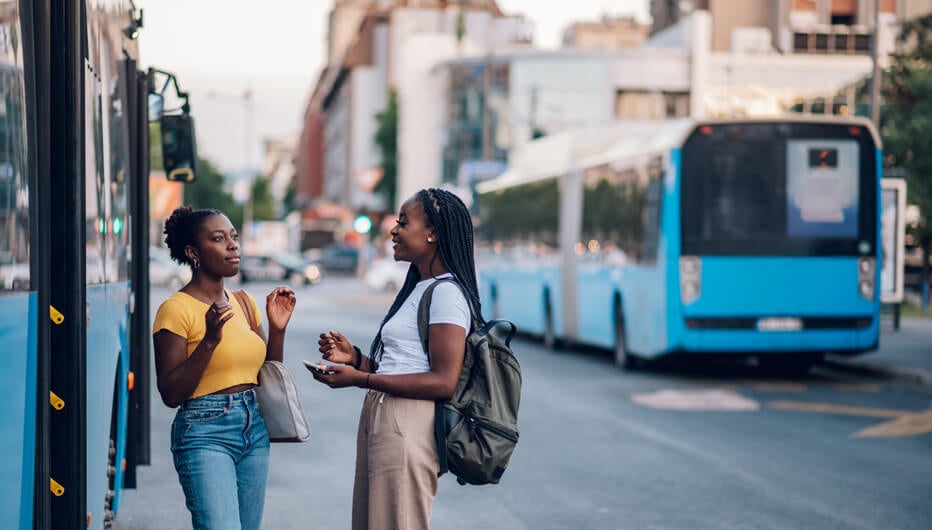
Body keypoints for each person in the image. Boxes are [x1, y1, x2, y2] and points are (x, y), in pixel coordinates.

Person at [309, 188, 480, 530]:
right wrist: (357, 359)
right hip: (382, 414)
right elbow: (405, 365)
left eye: (404, 222)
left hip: (408, 422)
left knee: (397, 522)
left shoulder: (446, 293)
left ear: (432, 233)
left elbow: (444, 381)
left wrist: (361, 379)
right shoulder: (419, 286)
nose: (394, 230)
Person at [152, 206, 296, 530]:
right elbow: (170, 393)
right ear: (194, 253)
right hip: (205, 431)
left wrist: (278, 329)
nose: (233, 245)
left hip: (254, 429)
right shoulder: (175, 309)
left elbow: (266, 375)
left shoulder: (243, 301)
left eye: (233, 237)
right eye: (218, 239)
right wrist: (209, 340)